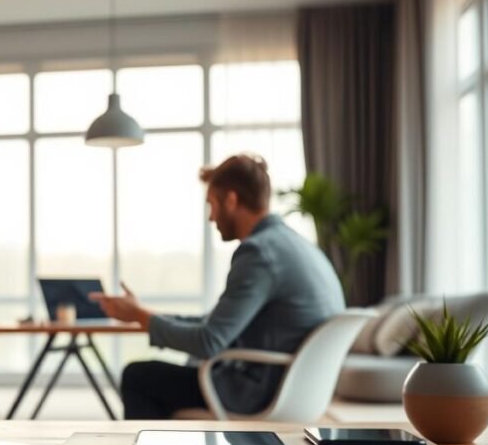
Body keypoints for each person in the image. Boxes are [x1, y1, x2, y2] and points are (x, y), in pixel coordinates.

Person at [90, 154, 344, 419]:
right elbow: (214, 323)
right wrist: (143, 314)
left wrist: (140, 316)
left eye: (211, 204)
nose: (211, 218)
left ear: (231, 200)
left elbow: (209, 341)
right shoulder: (297, 246)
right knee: (180, 369)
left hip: (259, 392)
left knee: (138, 377)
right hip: (298, 391)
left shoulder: (259, 253)